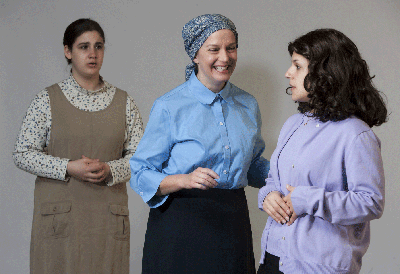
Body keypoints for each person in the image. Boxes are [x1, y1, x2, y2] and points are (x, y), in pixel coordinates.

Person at [130, 14, 269, 274]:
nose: (225, 58)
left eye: (231, 48)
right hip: (181, 223)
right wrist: (183, 179)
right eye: (213, 49)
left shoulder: (248, 105)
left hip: (232, 222)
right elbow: (140, 173)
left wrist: (293, 175)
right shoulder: (169, 106)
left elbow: (251, 166)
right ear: (195, 54)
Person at [13, 18, 143, 273]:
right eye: (83, 47)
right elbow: (22, 153)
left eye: (99, 46)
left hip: (108, 220)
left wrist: (110, 170)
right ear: (67, 51)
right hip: (60, 222)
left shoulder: (125, 102)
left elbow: (141, 158)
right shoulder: (46, 100)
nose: (92, 54)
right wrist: (67, 167)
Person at [258, 28, 387, 274]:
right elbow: (276, 180)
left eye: (297, 66)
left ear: (324, 73)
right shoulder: (292, 125)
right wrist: (267, 196)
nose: (288, 74)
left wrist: (308, 200)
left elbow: (371, 202)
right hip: (274, 258)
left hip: (319, 267)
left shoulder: (355, 134)